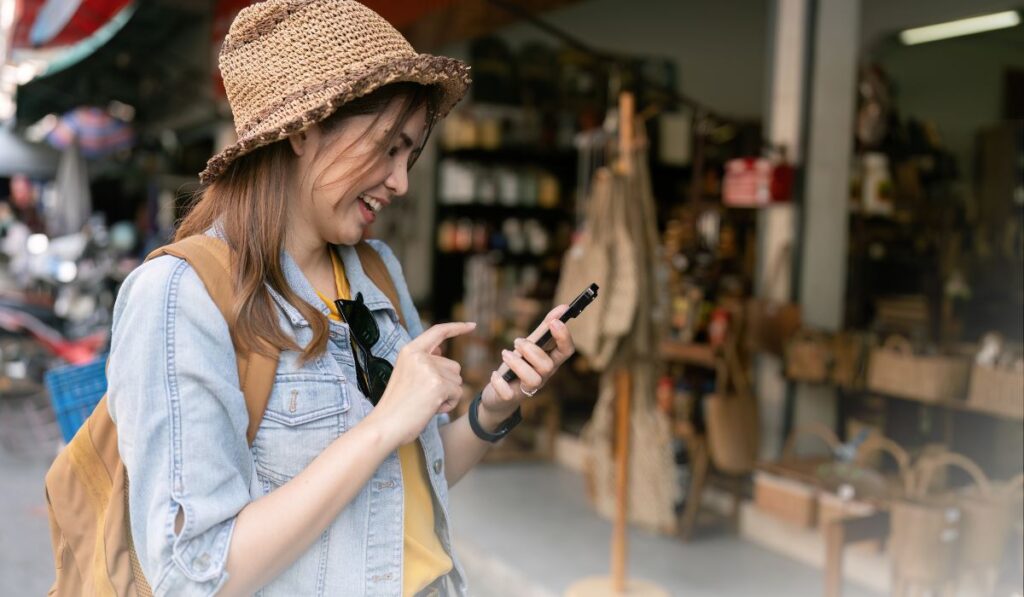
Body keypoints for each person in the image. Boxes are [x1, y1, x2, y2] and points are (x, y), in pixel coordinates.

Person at [107, 2, 576, 596]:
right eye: (387, 146)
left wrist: (492, 410)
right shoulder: (182, 297)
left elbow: (404, 489)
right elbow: (192, 574)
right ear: (306, 128)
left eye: (409, 155)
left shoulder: (375, 272)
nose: (401, 181)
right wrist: (382, 426)